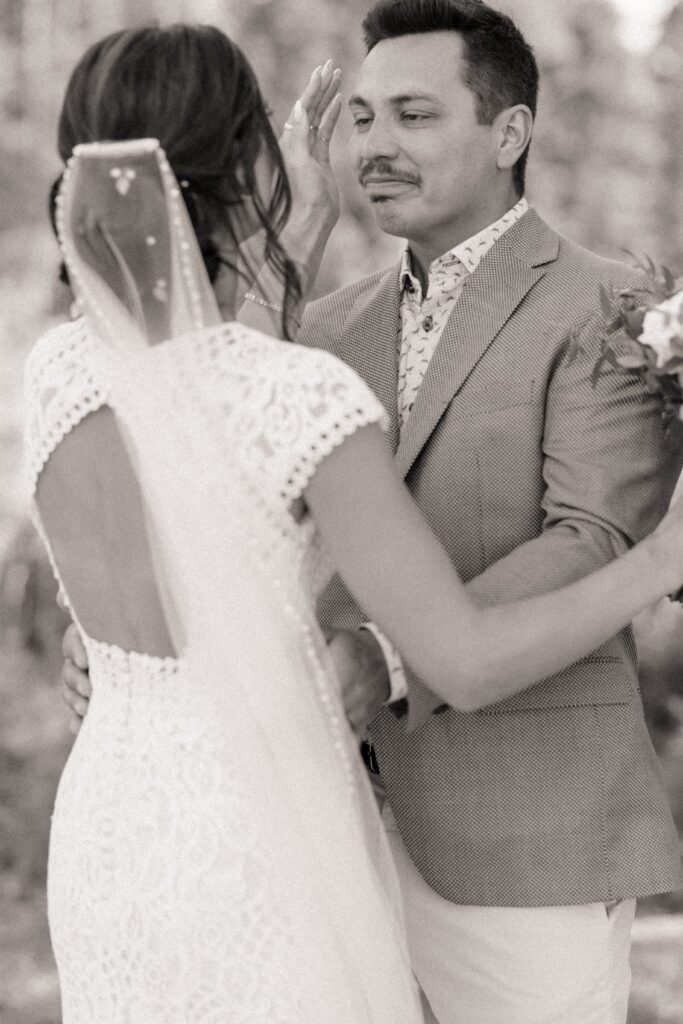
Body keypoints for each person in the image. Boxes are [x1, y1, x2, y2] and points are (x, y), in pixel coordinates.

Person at [53, 11, 683, 1024]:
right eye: (357, 117)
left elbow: (588, 540)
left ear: (509, 133)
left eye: (412, 114)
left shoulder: (605, 309)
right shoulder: (316, 324)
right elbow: (204, 470)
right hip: (308, 824)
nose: (372, 142)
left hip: (513, 823)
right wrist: (129, 650)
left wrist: (384, 658)